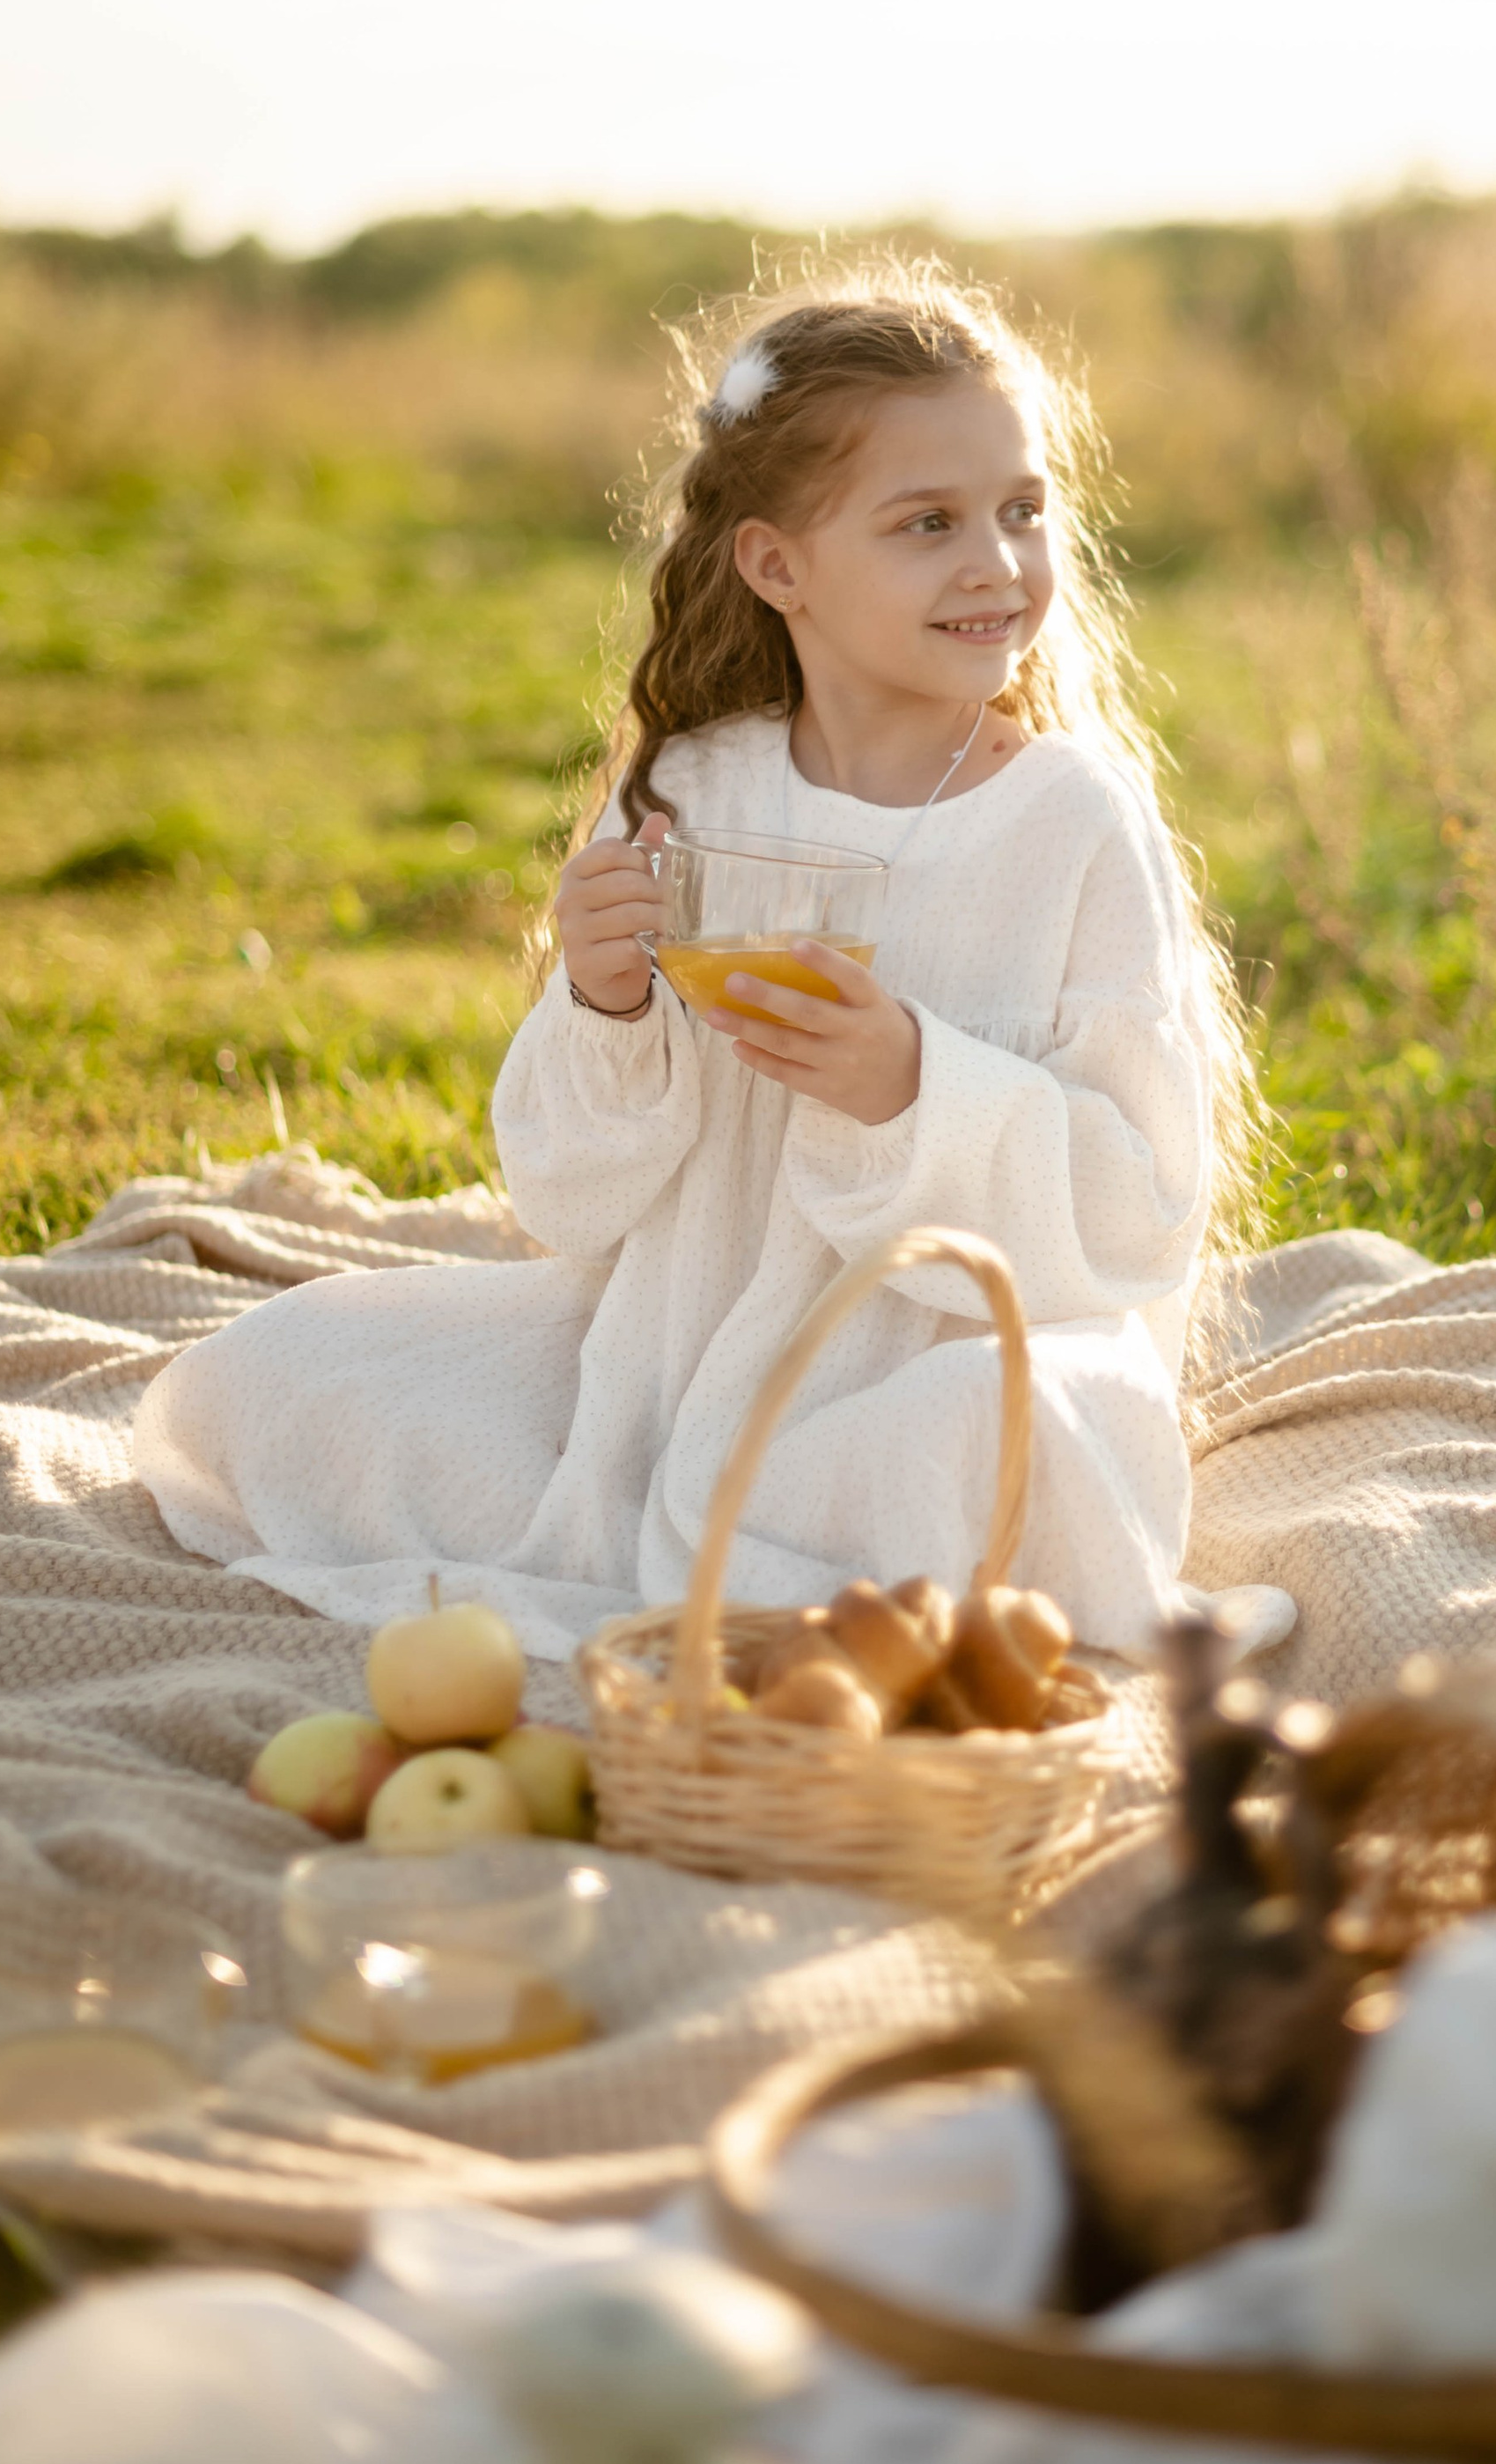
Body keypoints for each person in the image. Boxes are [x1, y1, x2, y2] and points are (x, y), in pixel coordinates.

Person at [132, 262, 1263, 1659]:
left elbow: (1143, 1209)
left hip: (943, 1366)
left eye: (1022, 510)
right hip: (676, 1355)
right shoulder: (693, 793)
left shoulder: (1071, 822)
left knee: (1017, 1435)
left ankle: (805, 1548)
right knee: (274, 1377)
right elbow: (568, 1201)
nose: (997, 563)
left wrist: (914, 1085)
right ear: (778, 565)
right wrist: (605, 1002)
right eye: (929, 523)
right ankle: (734, 1537)